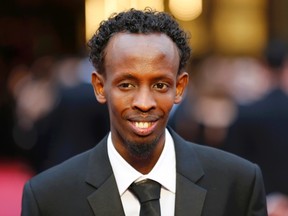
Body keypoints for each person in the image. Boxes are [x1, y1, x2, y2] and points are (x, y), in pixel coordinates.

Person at [21, 8, 267, 216]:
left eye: (160, 85)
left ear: (179, 88)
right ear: (99, 87)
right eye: (126, 85)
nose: (144, 102)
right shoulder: (49, 197)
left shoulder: (238, 183)